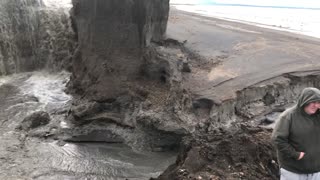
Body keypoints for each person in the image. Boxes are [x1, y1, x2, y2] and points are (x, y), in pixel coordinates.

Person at [272, 87, 320, 180]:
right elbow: (278, 139)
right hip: (293, 171)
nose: (316, 105)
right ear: (305, 100)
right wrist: (295, 155)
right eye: (313, 102)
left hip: (316, 170)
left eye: (318, 103)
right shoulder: (288, 117)